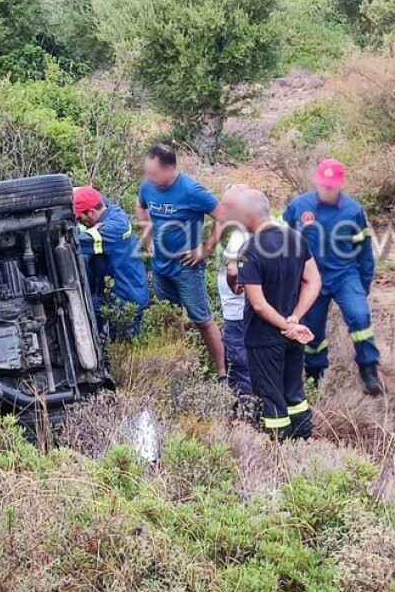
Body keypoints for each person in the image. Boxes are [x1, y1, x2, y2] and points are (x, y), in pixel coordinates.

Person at [227, 189, 322, 440]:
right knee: (295, 394)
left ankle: (279, 453)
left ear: (248, 215)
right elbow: (313, 280)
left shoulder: (251, 248)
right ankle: (303, 443)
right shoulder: (296, 238)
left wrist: (285, 325)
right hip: (293, 335)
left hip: (263, 338)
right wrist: (295, 319)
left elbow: (258, 305)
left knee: (271, 399)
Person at [284, 159, 382, 396]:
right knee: (312, 329)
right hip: (310, 278)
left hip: (344, 275)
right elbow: (283, 242)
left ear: (341, 184)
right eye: (323, 184)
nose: (327, 189)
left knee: (359, 317)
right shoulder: (299, 206)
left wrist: (363, 284)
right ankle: (315, 375)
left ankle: (369, 369)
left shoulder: (353, 210)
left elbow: (364, 250)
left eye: (332, 185)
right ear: (316, 181)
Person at [136, 145, 228, 381]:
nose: (149, 178)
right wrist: (147, 236)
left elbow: (223, 217)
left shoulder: (191, 190)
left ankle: (222, 372)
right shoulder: (148, 185)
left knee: (202, 320)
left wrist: (205, 249)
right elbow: (141, 205)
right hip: (160, 266)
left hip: (187, 267)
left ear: (171, 169)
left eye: (154, 174)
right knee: (171, 315)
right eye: (147, 173)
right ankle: (181, 364)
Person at [74, 186, 150, 340]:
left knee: (125, 347)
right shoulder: (112, 211)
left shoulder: (113, 229)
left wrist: (85, 232)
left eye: (80, 218)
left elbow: (74, 241)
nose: (79, 222)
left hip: (127, 299)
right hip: (111, 295)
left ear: (92, 212)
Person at [217, 183, 254, 395]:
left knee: (242, 366)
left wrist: (235, 285)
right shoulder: (243, 232)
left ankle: (248, 414)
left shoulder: (245, 236)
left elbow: (236, 272)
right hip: (239, 312)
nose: (224, 211)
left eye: (229, 206)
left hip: (240, 315)